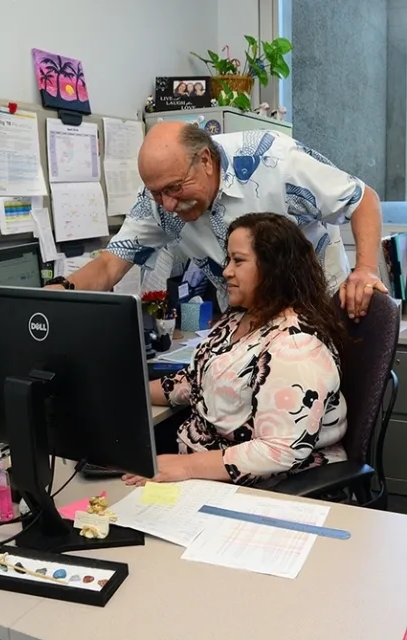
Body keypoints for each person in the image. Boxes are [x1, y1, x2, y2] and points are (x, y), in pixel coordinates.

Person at [46, 122, 387, 321]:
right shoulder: (160, 197)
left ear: (206, 161)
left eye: (175, 189)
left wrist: (366, 268)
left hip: (316, 314)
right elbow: (109, 266)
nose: (168, 204)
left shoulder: (274, 161)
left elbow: (362, 198)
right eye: (157, 193)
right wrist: (60, 293)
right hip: (246, 326)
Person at [122, 213, 348, 488]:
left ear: (274, 268)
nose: (227, 270)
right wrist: (122, 395)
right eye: (228, 259)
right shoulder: (240, 317)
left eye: (238, 261)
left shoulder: (296, 345)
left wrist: (185, 466)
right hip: (202, 475)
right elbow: (193, 383)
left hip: (266, 489)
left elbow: (280, 449)